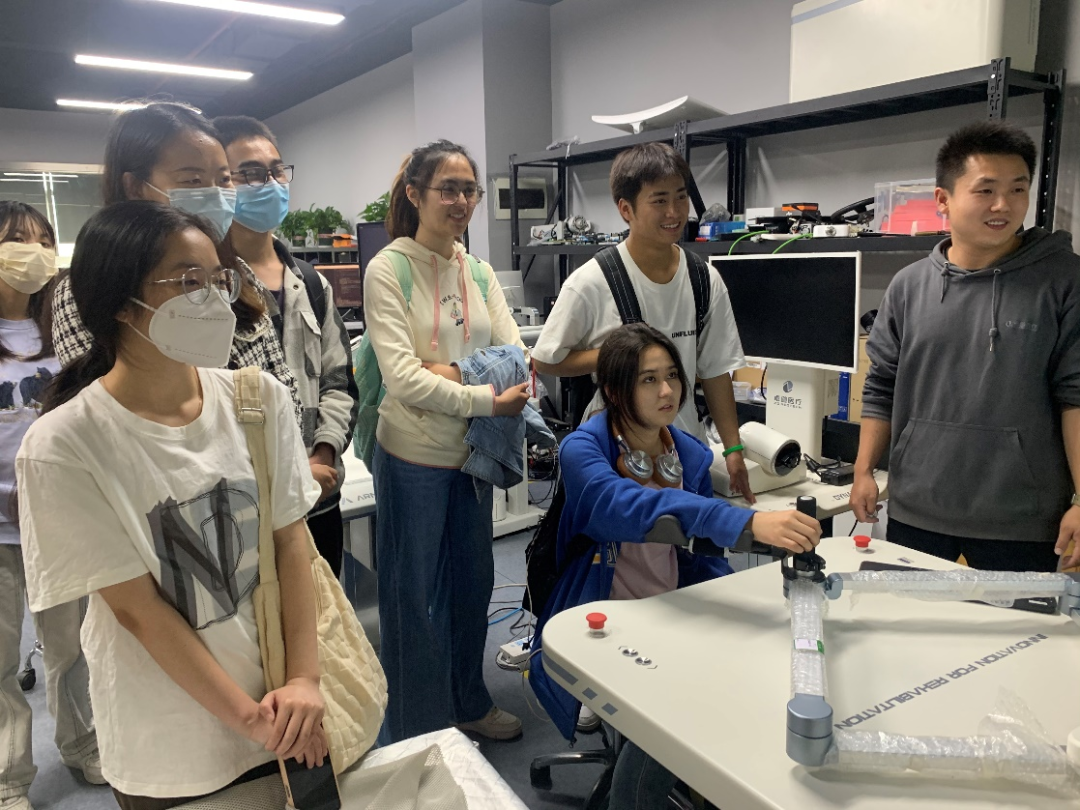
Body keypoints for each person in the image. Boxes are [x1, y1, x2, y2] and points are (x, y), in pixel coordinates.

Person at [18, 202, 326, 810]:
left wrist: (304, 681)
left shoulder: (257, 399)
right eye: (188, 281)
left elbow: (293, 546)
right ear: (120, 302)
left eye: (218, 279)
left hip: (287, 710)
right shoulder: (62, 445)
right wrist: (250, 720)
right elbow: (136, 610)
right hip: (170, 741)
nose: (213, 300)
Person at [529, 323, 821, 808]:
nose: (667, 391)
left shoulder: (687, 451)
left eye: (671, 376)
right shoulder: (584, 448)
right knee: (669, 713)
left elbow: (696, 548)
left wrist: (740, 597)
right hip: (602, 609)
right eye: (648, 379)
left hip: (671, 602)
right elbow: (625, 506)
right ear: (615, 390)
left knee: (744, 666)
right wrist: (746, 523)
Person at [850, 120, 1080, 572]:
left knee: (1012, 623)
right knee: (907, 617)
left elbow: (1076, 395)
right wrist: (863, 472)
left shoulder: (1064, 281)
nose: (1003, 205)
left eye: (1018, 189)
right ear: (943, 199)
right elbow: (881, 387)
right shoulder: (908, 286)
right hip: (917, 510)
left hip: (1022, 522)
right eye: (985, 190)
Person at [363, 140, 530, 743]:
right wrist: (484, 394)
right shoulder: (389, 270)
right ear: (415, 194)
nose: (461, 201)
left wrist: (452, 373)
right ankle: (416, 729)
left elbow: (518, 357)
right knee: (410, 597)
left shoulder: (477, 271)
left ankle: (468, 701)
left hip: (473, 456)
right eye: (448, 189)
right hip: (412, 457)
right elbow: (403, 380)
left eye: (469, 190)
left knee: (471, 586)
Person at [51, 102, 302, 423]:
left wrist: (277, 440)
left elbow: (284, 389)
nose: (216, 194)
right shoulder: (85, 288)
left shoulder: (238, 274)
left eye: (224, 179)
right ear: (135, 187)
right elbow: (101, 415)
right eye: (193, 180)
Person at [532, 142, 755, 501]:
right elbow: (545, 360)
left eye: (681, 197)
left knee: (690, 533)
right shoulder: (592, 281)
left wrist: (733, 450)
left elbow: (715, 371)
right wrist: (613, 356)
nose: (674, 212)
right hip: (616, 457)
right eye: (659, 200)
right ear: (626, 209)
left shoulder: (703, 279)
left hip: (683, 452)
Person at [212, 115, 359, 577]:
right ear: (222, 183)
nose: (271, 183)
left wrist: (324, 453)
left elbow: (339, 380)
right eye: (251, 173)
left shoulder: (310, 283)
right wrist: (292, 475)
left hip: (320, 499)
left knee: (325, 616)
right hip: (248, 511)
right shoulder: (207, 285)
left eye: (276, 170)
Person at [0, 202, 102, 810]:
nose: (34, 252)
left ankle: (82, 744)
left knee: (70, 647)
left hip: (57, 516)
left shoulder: (62, 326)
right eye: (18, 239)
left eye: (44, 239)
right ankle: (8, 777)